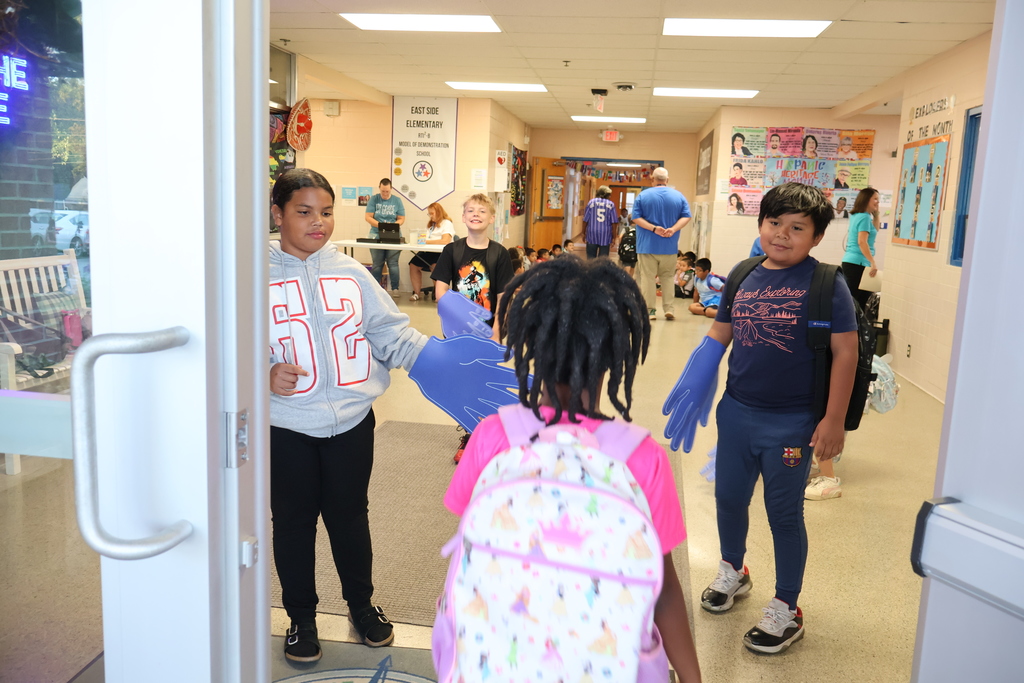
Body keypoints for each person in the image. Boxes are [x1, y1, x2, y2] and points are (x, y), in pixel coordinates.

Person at [445, 257, 703, 683]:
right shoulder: (641, 456)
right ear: (616, 356)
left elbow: (470, 551)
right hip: (608, 665)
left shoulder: (492, 436)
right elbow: (665, 589)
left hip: (499, 662)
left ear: (531, 347)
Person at [664, 182, 858, 655]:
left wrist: (833, 421)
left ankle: (787, 607)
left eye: (798, 228)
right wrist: (698, 374)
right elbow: (720, 329)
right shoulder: (744, 273)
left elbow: (846, 352)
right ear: (760, 225)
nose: (783, 235)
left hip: (792, 423)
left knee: (783, 514)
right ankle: (734, 569)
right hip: (737, 413)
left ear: (816, 238)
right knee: (729, 498)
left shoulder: (827, 283)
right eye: (775, 223)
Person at [268, 169, 428, 661]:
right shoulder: (249, 275)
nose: (319, 222)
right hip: (286, 427)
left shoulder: (354, 274)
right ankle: (301, 617)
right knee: (293, 524)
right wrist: (262, 371)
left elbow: (392, 335)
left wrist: (442, 363)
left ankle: (362, 606)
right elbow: (224, 346)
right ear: (277, 215)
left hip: (353, 424)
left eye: (327, 212)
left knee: (349, 518)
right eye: (304, 212)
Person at [432, 193, 516, 462]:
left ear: (492, 218)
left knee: (484, 381)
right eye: (470, 210)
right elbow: (441, 291)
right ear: (463, 217)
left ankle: (489, 435)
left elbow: (503, 296)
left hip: (487, 331)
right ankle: (469, 434)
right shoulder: (452, 251)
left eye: (482, 211)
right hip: (457, 332)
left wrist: (497, 331)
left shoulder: (499, 253)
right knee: (462, 382)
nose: (476, 214)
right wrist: (455, 320)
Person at [632, 167, 692, 321]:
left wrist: (653, 228)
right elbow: (686, 217)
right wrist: (673, 229)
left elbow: (636, 218)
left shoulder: (643, 196)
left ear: (652, 179)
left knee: (648, 278)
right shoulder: (679, 196)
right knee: (667, 278)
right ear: (667, 179)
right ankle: (668, 309)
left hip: (647, 246)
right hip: (669, 246)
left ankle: (650, 311)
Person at [840, 187, 880, 310]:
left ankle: (857, 328)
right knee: (857, 302)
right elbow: (862, 242)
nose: (878, 202)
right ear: (867, 199)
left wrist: (877, 215)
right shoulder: (864, 217)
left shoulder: (857, 215)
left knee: (858, 301)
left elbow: (874, 231)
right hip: (858, 263)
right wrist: (872, 262)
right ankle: (855, 328)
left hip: (853, 262)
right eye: (875, 199)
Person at [364, 178, 406, 295]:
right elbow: (368, 217)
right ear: (379, 188)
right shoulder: (374, 199)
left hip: (393, 234)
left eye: (387, 191)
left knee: (393, 263)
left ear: (391, 189)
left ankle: (395, 289)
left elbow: (401, 218)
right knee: (377, 264)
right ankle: (376, 289)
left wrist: (391, 226)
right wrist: (381, 225)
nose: (385, 194)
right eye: (383, 191)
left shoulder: (397, 200)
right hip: (376, 234)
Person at [408, 202, 455, 301]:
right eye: (429, 214)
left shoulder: (447, 223)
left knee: (435, 266)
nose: (430, 216)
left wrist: (427, 242)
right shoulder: (431, 225)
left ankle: (440, 295)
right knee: (413, 265)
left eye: (432, 213)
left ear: (438, 212)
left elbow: (445, 241)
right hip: (428, 251)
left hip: (441, 252)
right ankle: (417, 293)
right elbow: (425, 238)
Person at [583, 185, 617, 258]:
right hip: (606, 234)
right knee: (603, 259)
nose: (610, 197)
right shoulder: (611, 204)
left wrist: (583, 233)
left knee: (590, 257)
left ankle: (591, 269)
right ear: (606, 195)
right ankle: (601, 269)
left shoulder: (591, 203)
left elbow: (585, 220)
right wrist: (614, 236)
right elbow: (614, 222)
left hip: (592, 233)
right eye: (609, 195)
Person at [617, 208, 638, 276]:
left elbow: (620, 237)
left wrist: (621, 245)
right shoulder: (639, 230)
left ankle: (626, 278)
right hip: (635, 251)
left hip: (626, 251)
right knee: (633, 265)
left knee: (626, 264)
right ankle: (631, 277)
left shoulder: (626, 229)